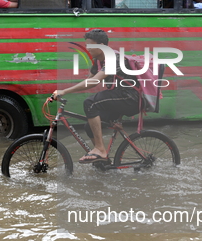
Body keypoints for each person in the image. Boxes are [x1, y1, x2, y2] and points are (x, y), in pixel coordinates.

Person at [52, 29, 140, 163]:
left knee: (90, 103)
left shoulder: (113, 59)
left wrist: (65, 91)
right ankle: (102, 160)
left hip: (130, 98)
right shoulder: (98, 60)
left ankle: (100, 149)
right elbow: (88, 80)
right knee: (89, 126)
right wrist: (66, 91)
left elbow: (93, 82)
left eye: (91, 46)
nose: (87, 49)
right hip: (118, 97)